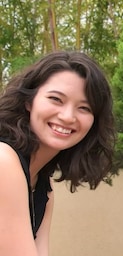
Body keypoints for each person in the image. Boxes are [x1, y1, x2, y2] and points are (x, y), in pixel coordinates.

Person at [0, 51, 115, 256]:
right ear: (29, 100)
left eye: (84, 108)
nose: (68, 116)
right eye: (56, 99)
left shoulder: (43, 186)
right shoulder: (4, 161)